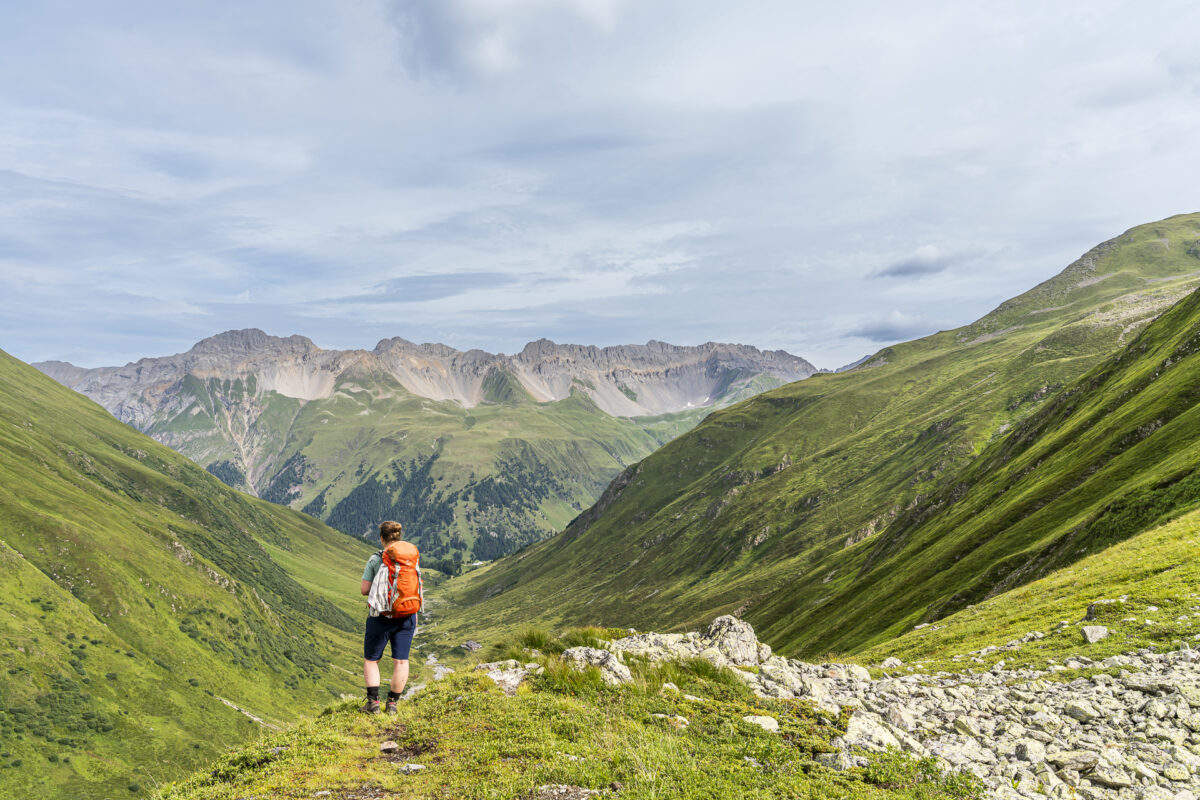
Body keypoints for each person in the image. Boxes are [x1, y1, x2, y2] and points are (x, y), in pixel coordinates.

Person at [359, 520, 419, 713]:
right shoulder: (410, 558)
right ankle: (392, 705)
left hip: (381, 616)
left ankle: (373, 704)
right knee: (401, 661)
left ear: (382, 538)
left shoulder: (376, 559)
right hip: (408, 614)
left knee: (371, 659)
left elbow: (364, 589)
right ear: (398, 537)